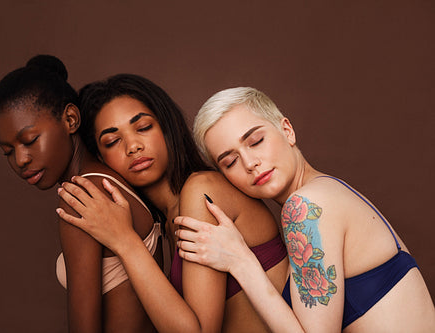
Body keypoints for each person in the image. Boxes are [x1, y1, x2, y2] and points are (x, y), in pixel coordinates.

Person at [172, 87, 435, 332]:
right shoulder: (328, 189)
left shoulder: (307, 205)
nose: (250, 163)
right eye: (230, 162)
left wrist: (240, 261)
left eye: (256, 141)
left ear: (287, 130)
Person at [56, 74, 288, 332]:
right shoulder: (168, 220)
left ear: (168, 127)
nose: (132, 146)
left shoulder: (202, 191)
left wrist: (125, 242)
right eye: (112, 141)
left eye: (143, 127)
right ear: (101, 158)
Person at [0, 56, 164, 332]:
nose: (21, 159)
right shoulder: (111, 179)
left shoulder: (81, 199)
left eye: (30, 140)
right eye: (8, 151)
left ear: (70, 119)